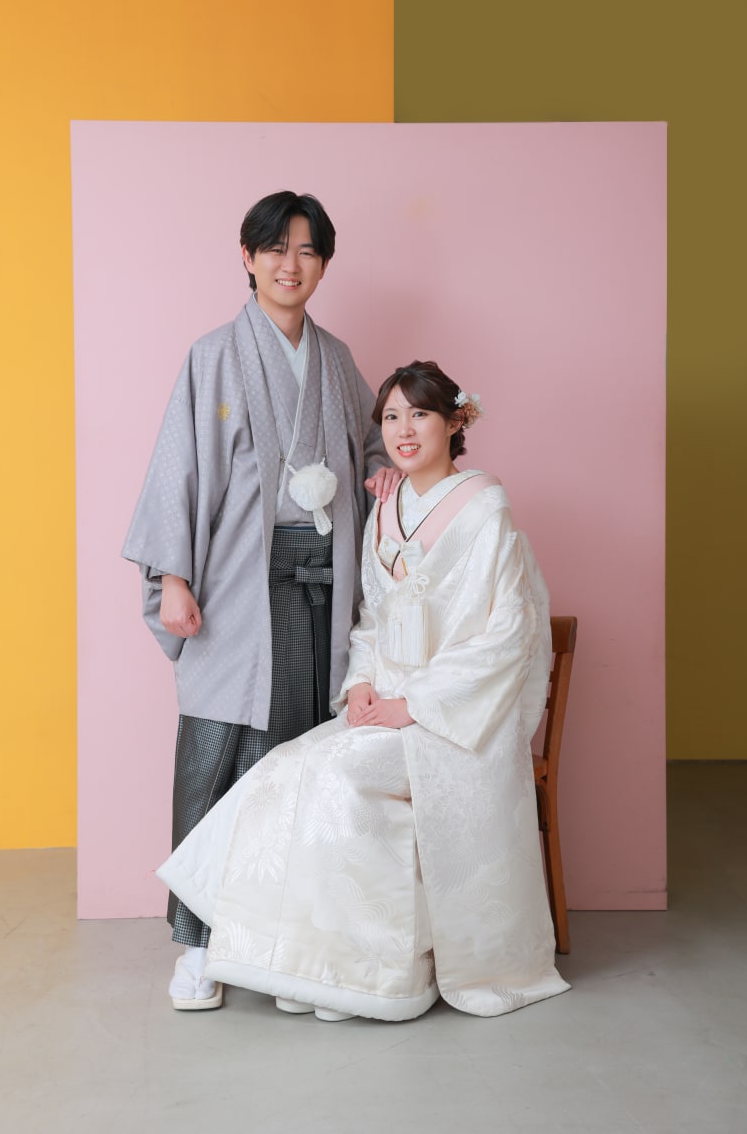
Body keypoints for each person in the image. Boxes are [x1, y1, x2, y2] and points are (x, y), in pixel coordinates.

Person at [158, 360, 571, 1020]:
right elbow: (372, 620)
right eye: (392, 417)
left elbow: (503, 637)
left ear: (455, 421)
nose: (404, 430)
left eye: (420, 414)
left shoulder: (484, 508)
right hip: (388, 705)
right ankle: (308, 964)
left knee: (339, 778)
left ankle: (379, 977)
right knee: (285, 766)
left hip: (452, 720)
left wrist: (415, 705)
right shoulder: (387, 509)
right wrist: (362, 686)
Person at [123, 192, 400, 1010]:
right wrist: (174, 578)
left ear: (323, 265)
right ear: (247, 257)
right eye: (275, 249)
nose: (290, 265)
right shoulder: (214, 356)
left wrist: (383, 468)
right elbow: (178, 466)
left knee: (303, 763)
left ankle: (285, 946)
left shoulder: (336, 360)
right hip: (240, 586)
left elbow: (372, 441)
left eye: (308, 251)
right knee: (218, 755)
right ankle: (198, 948)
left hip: (324, 588)